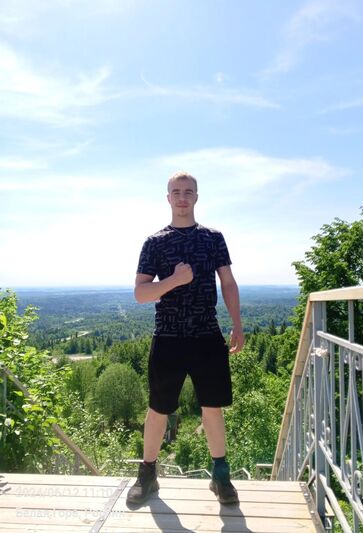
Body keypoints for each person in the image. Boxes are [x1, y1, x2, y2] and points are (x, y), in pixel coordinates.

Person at [126, 171, 244, 506]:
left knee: (212, 408)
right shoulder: (155, 242)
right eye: (176, 192)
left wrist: (237, 324)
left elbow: (228, 283)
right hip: (168, 336)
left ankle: (221, 476)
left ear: (196, 197)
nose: (182, 197)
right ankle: (147, 475)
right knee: (157, 409)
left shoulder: (213, 238)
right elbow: (140, 293)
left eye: (188, 192)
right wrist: (174, 281)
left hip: (207, 334)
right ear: (168, 198)